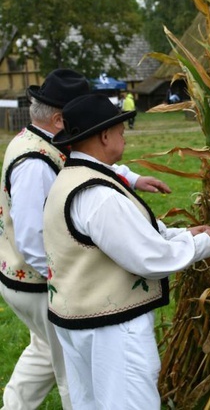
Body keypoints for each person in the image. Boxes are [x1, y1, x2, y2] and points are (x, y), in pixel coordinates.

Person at [42, 93, 210, 408]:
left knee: (90, 402)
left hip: (79, 320)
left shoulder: (72, 177)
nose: (125, 133)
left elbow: (128, 238)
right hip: (111, 328)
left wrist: (184, 233)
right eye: (119, 129)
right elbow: (149, 258)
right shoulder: (98, 194)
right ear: (103, 136)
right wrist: (208, 243)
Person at [0, 69, 171, 409]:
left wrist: (134, 179)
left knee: (45, 349)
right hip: (38, 280)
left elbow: (83, 159)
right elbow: (32, 237)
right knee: (72, 369)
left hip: (22, 276)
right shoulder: (33, 163)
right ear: (62, 118)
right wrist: (66, 278)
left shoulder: (41, 142)